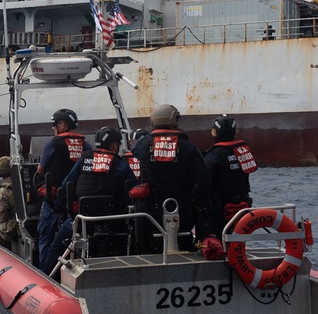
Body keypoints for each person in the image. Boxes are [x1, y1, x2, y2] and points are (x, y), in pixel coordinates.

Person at [43, 127, 136, 274]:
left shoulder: (84, 159)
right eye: (117, 144)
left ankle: (46, 277)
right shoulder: (121, 165)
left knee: (56, 248)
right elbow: (133, 189)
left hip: (80, 220)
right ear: (113, 145)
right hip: (113, 220)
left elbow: (66, 183)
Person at [130, 104, 212, 252]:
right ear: (174, 121)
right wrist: (196, 201)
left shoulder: (143, 144)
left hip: (150, 211)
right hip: (182, 211)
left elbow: (135, 154)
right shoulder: (188, 146)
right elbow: (204, 178)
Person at [36, 109, 89, 272]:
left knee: (45, 236)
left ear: (63, 125)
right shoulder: (85, 144)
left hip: (55, 200)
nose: (53, 128)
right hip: (75, 201)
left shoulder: (53, 143)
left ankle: (43, 272)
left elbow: (40, 170)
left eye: (54, 124)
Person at [203, 114, 256, 236]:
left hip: (220, 211)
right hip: (242, 208)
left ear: (214, 133)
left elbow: (204, 182)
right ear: (234, 132)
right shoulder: (242, 153)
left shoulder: (213, 156)